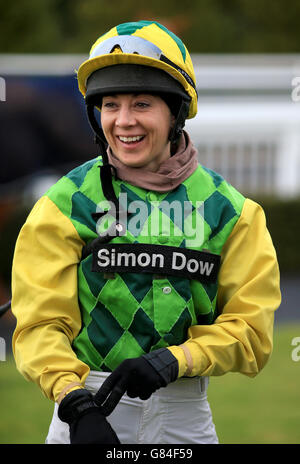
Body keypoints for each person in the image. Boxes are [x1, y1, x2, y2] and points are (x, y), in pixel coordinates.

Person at [11, 20, 281, 445]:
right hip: (84, 409)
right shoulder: (63, 204)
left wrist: (176, 360)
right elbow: (40, 324)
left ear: (175, 111)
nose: (122, 122)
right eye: (110, 104)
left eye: (141, 104)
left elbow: (252, 331)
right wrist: (74, 400)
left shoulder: (233, 212)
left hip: (183, 416)